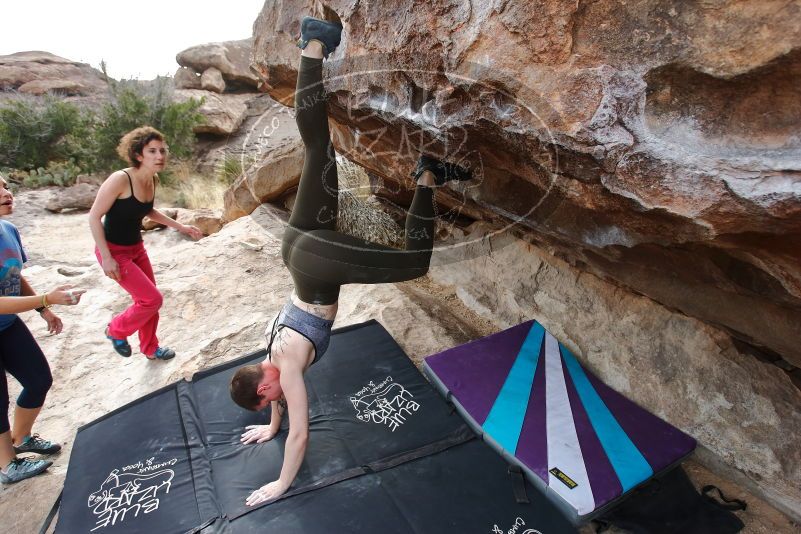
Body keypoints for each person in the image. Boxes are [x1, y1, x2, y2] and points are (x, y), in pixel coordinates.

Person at [229, 17, 473, 507]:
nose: (275, 402)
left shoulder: (289, 371)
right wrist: (267, 428)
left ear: (265, 385)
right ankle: (315, 42)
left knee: (415, 264)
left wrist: (279, 484)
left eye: (268, 401)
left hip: (318, 263)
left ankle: (427, 176)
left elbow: (300, 434)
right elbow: (275, 406)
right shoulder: (270, 357)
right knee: (318, 146)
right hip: (296, 247)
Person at [88, 127, 203, 361]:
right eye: (152, 151)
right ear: (138, 154)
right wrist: (106, 256)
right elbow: (93, 216)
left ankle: (150, 348)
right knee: (152, 299)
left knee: (147, 301)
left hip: (136, 249)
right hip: (114, 252)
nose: (160, 156)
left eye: (162, 150)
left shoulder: (152, 179)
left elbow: (147, 210)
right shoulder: (121, 179)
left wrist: (181, 226)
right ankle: (115, 329)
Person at [0, 172, 86, 484]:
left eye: (6, 186)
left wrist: (42, 309)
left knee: (38, 379)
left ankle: (22, 439)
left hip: (7, 325)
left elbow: (15, 274)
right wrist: (48, 296)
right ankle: (8, 466)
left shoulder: (8, 229)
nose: (6, 192)